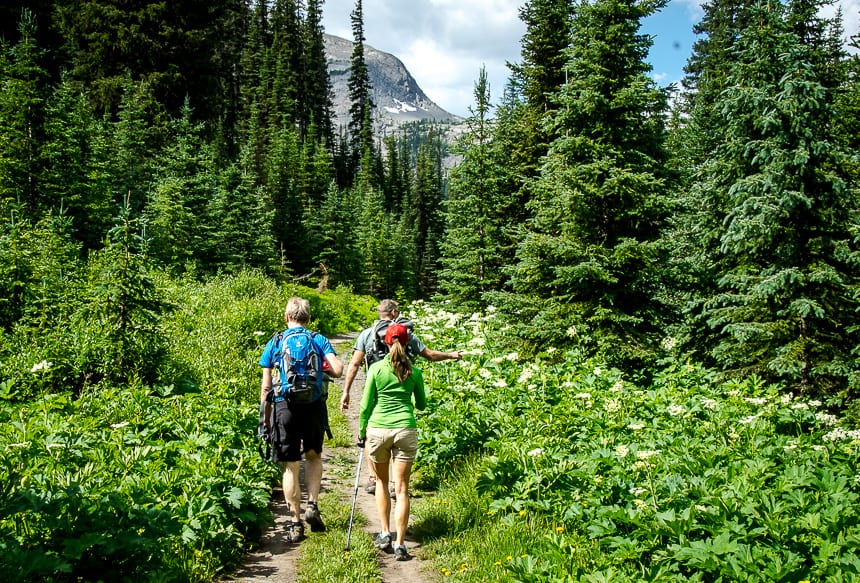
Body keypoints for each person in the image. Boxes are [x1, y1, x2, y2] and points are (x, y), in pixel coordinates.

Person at [340, 299, 462, 493]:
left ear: (379, 313)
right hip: (402, 388)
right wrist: (451, 355)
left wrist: (346, 391)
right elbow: (429, 355)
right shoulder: (405, 334)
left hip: (376, 385)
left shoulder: (366, 335)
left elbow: (354, 364)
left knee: (373, 430)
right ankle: (397, 483)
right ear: (395, 312)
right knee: (399, 434)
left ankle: (374, 478)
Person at [260, 297, 343, 543]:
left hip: (284, 408)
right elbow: (338, 370)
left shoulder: (275, 342)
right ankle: (313, 505)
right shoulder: (318, 339)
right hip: (314, 406)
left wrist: (266, 420)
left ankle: (295, 524)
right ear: (308, 319)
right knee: (314, 456)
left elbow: (266, 389)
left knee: (290, 465)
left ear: (286, 317)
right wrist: (323, 368)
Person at [358, 322, 425, 561]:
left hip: (378, 430)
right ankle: (400, 544)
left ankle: (385, 532)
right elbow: (422, 404)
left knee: (381, 484)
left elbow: (365, 404)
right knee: (403, 488)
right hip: (405, 429)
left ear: (385, 342)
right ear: (408, 343)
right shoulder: (414, 372)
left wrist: (361, 430)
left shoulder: (376, 369)